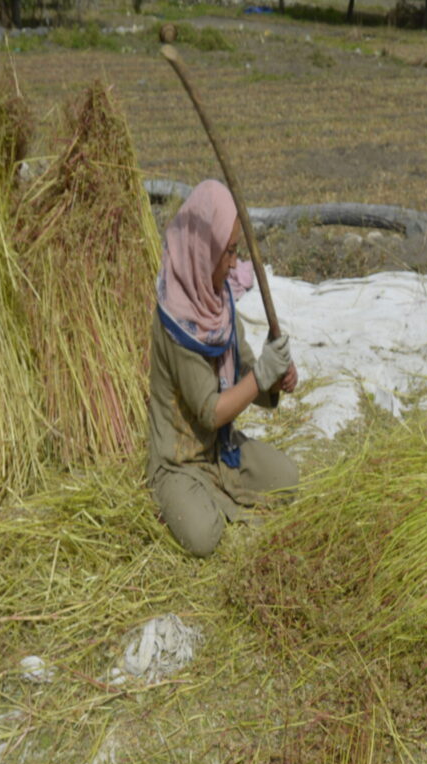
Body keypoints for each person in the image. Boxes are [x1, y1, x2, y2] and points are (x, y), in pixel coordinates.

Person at [147, 179, 299, 557]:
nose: (234, 264)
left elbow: (244, 369)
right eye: (228, 253)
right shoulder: (177, 320)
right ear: (203, 251)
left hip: (221, 451)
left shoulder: (217, 301)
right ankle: (185, 501)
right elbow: (210, 411)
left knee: (288, 481)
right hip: (179, 462)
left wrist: (274, 379)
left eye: (236, 251)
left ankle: (218, 492)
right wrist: (259, 375)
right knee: (204, 538)